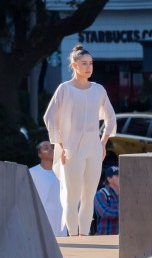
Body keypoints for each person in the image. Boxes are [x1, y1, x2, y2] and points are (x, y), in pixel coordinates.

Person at [43, 44, 116, 237]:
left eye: (90, 63)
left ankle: (85, 237)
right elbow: (49, 117)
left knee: (88, 197)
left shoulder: (98, 89)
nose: (88, 67)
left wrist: (103, 142)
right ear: (74, 65)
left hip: (93, 149)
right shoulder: (64, 89)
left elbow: (110, 118)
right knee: (71, 198)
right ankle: (74, 239)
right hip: (71, 150)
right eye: (84, 63)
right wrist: (60, 145)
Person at [29, 141, 67, 237]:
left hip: (60, 221)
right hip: (41, 221)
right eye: (46, 148)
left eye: (52, 148)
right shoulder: (32, 173)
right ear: (39, 154)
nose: (51, 150)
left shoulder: (63, 172)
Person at [94, 166, 120, 235]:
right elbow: (105, 212)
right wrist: (126, 213)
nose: (121, 177)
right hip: (105, 237)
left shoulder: (126, 194)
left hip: (124, 237)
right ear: (109, 179)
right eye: (117, 175)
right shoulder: (101, 194)